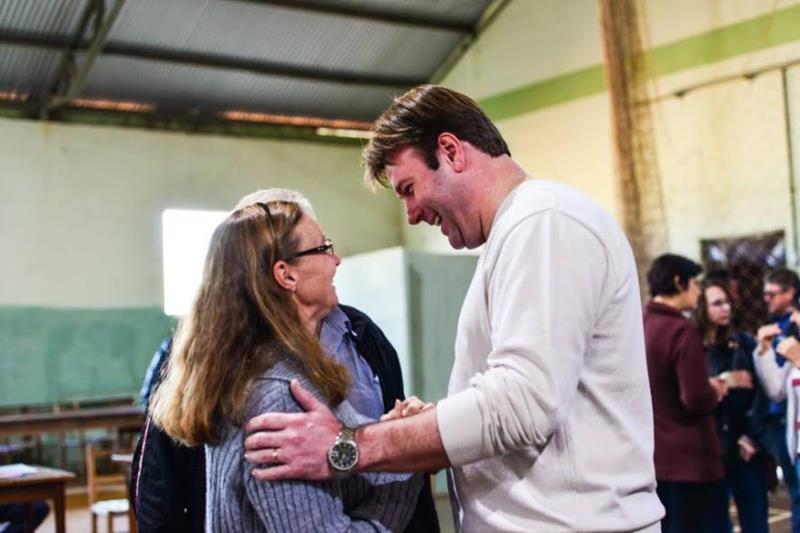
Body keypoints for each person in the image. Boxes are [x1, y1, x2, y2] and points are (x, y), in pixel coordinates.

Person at [244, 84, 664, 531]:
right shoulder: (520, 232)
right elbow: (526, 395)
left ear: (450, 151)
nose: (410, 215)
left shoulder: (544, 221)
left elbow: (524, 404)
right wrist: (431, 424)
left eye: (408, 188)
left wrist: (349, 445)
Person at [131, 189, 438, 532]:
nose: (336, 260)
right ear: (286, 275)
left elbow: (339, 459)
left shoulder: (297, 365)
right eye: (323, 249)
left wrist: (393, 435)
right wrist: (410, 469)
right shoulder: (277, 394)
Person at [642, 254, 726, 533]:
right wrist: (716, 389)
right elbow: (695, 398)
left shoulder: (639, 324)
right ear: (679, 283)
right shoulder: (680, 330)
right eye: (695, 284)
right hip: (691, 461)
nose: (698, 291)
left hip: (652, 456)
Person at [695, 278, 769, 533]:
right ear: (702, 308)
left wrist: (751, 436)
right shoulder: (692, 346)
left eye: (727, 302)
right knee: (715, 523)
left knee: (756, 521)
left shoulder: (743, 343)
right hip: (710, 449)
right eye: (717, 303)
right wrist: (725, 382)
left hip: (744, 446)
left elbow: (762, 391)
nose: (725, 308)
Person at [755, 267, 800, 532]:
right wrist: (763, 351)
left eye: (772, 294)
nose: (766, 300)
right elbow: (776, 390)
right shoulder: (790, 336)